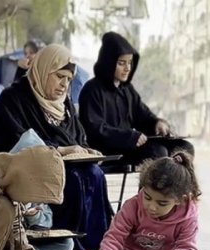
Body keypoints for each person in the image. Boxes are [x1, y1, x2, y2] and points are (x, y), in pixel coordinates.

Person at [0, 44, 113, 250]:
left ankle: (95, 248)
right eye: (59, 76)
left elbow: (77, 138)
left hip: (63, 169)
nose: (64, 85)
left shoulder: (65, 105)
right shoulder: (14, 99)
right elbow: (18, 145)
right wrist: (61, 151)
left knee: (95, 174)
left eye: (69, 80)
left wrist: (87, 151)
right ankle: (73, 247)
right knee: (73, 179)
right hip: (25, 177)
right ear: (44, 71)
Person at [78, 151, 200, 250]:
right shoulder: (133, 205)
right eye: (147, 197)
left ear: (180, 199)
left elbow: (187, 248)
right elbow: (114, 237)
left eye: (162, 203)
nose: (152, 207)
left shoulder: (188, 215)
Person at [78, 32, 195, 166]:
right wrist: (129, 137)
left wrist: (156, 123)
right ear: (109, 63)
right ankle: (152, 187)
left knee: (184, 148)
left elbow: (142, 116)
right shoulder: (92, 90)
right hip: (107, 151)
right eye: (122, 63)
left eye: (130, 63)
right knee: (157, 152)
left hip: (130, 147)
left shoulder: (127, 90)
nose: (127, 68)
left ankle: (179, 185)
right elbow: (95, 130)